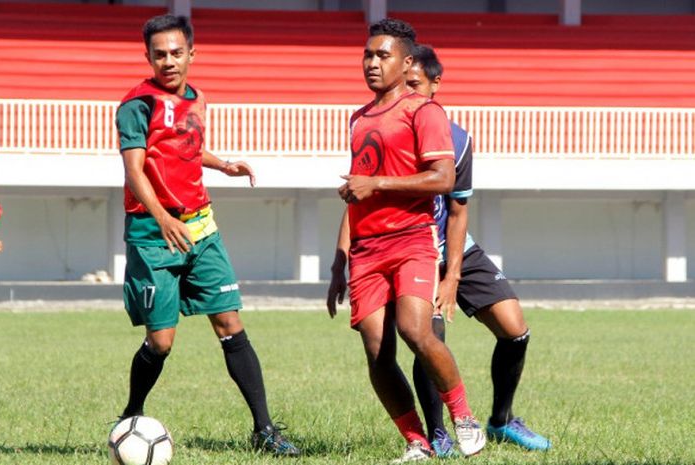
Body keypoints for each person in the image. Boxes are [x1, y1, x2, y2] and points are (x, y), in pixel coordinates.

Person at [114, 14, 299, 456]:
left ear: (192, 54)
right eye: (159, 54)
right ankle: (130, 416)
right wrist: (162, 217)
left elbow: (187, 149)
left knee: (230, 324)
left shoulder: (198, 97)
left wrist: (224, 165)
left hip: (202, 228)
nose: (169, 61)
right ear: (148, 57)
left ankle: (265, 430)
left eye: (177, 52)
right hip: (154, 232)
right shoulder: (136, 104)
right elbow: (134, 170)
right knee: (161, 342)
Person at [327, 19, 485, 463]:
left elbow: (443, 178)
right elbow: (359, 191)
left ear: (407, 61)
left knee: (416, 330)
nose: (373, 63)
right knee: (377, 353)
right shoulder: (358, 117)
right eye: (368, 55)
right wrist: (339, 265)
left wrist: (375, 183)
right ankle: (416, 441)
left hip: (412, 241)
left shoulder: (423, 111)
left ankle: (464, 416)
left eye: (383, 55)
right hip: (366, 251)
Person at [405, 44, 551, 453]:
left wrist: (452, 274)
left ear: (436, 84)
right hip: (412, 250)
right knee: (428, 339)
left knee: (514, 329)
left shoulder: (458, 138)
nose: (411, 92)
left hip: (455, 248)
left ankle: (502, 421)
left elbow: (458, 209)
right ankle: (438, 435)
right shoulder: (393, 130)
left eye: (417, 84)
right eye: (406, 84)